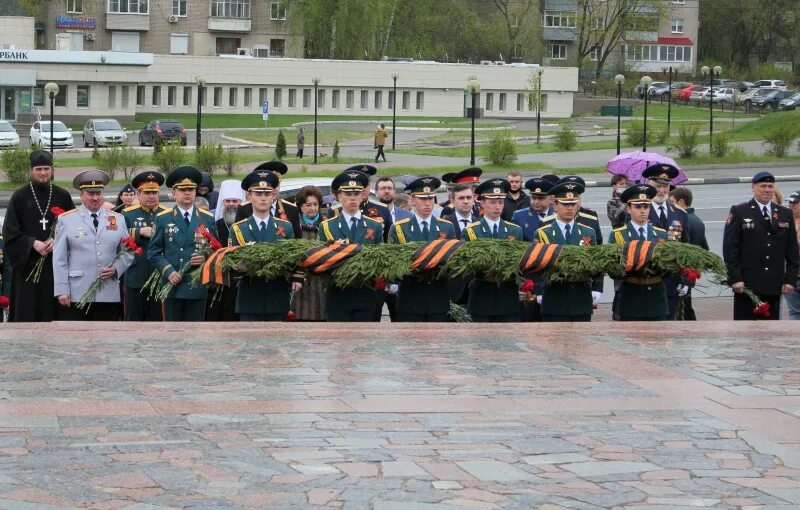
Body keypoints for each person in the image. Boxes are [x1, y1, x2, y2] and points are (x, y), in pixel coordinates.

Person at [1, 150, 75, 322]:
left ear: (52, 170)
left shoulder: (62, 195)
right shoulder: (19, 196)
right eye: (39, 169)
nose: (43, 173)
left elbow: (74, 227)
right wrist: (32, 243)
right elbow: (9, 231)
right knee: (28, 312)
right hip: (27, 267)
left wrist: (56, 240)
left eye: (46, 169)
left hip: (55, 267)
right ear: (31, 170)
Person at [52, 170, 134, 321]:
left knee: (106, 339)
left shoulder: (118, 219)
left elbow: (128, 251)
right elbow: (59, 258)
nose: (95, 198)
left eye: (98, 193)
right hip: (78, 291)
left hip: (108, 291)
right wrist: (62, 289)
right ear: (81, 195)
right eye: (90, 194)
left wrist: (117, 268)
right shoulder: (67, 220)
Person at [723, 171, 799, 320]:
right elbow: (730, 248)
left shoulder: (784, 213)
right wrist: (735, 278)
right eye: (763, 186)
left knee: (770, 330)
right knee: (745, 329)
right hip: (747, 284)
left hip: (773, 283)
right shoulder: (740, 211)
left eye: (770, 186)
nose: (767, 189)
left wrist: (790, 279)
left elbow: (792, 250)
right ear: (753, 187)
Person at [147, 165, 219, 322]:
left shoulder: (207, 218)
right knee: (173, 334)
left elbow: (216, 249)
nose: (187, 193)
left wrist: (205, 257)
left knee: (196, 333)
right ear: (174, 193)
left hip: (197, 285)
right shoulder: (163, 218)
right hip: (173, 284)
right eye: (182, 190)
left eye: (191, 189)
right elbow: (153, 252)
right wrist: (168, 271)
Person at [229, 170, 300, 321]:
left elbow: (293, 260)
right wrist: (242, 265)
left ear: (274, 196)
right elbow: (231, 262)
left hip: (277, 295)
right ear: (249, 196)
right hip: (249, 296)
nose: (263, 198)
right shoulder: (238, 229)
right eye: (258, 194)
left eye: (267, 194)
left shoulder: (285, 227)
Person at [318, 170, 384, 321]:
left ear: (362, 196)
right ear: (339, 196)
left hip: (365, 293)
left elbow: (380, 258)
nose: (352, 198)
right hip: (337, 294)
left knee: (364, 342)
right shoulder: (327, 226)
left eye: (356, 193)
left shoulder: (374, 226)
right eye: (347, 194)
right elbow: (320, 261)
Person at [389, 176, 456, 322]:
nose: (427, 203)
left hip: (438, 297)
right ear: (412, 200)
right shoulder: (399, 228)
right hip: (410, 297)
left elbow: (453, 262)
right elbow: (393, 264)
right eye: (422, 199)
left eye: (430, 198)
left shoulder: (446, 227)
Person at [461, 179, 524, 322]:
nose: (498, 207)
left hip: (507, 295)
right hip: (482, 296)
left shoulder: (515, 230)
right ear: (482, 203)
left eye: (501, 202)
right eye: (493, 202)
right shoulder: (471, 231)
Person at [535, 180, 598, 322]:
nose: (570, 208)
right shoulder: (543, 233)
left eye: (573, 204)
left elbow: (596, 263)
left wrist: (596, 288)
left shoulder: (588, 232)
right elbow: (537, 266)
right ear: (555, 205)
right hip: (554, 298)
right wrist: (538, 291)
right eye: (565, 204)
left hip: (580, 298)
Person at [608, 185, 670, 321]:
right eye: (638, 207)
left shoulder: (661, 235)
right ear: (629, 209)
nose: (643, 211)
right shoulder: (619, 236)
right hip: (631, 298)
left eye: (646, 207)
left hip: (656, 298)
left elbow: (668, 267)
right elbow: (613, 269)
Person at [120, 171, 169, 321]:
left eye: (154, 192)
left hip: (159, 275)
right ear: (138, 194)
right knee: (133, 319)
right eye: (147, 192)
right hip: (136, 274)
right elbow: (119, 238)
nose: (152, 196)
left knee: (158, 320)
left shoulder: (167, 213)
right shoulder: (127, 214)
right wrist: (138, 232)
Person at [642, 164, 690, 319]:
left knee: (669, 325)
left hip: (672, 280)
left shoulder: (680, 214)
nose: (662, 191)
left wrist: (686, 280)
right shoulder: (640, 210)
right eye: (657, 186)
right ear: (649, 185)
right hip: (647, 278)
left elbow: (686, 249)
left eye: (666, 187)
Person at [669, 185, 708, 321]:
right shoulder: (697, 219)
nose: (670, 205)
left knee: (682, 310)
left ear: (681, 203)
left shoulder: (684, 220)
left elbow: (687, 251)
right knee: (686, 306)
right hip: (690, 273)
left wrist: (686, 279)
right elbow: (704, 248)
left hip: (684, 273)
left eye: (672, 201)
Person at [206, 179, 243, 321]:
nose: (232, 204)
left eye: (235, 201)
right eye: (228, 201)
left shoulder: (245, 225)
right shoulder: (215, 225)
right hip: (220, 278)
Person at [235, 161, 302, 238]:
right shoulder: (244, 209)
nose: (274, 190)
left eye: (276, 185)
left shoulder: (291, 209)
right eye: (261, 192)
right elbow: (239, 234)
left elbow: (297, 239)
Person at [292, 186, 328, 321]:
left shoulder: (326, 225)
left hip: (322, 280)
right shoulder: (294, 226)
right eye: (308, 205)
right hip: (300, 282)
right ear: (301, 207)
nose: (312, 208)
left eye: (315, 204)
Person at [443, 183, 479, 306]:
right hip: (452, 285)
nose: (466, 201)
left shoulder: (480, 223)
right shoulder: (444, 224)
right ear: (452, 200)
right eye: (461, 198)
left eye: (469, 198)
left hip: (477, 285)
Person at [513, 178, 554, 242]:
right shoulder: (519, 216)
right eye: (533, 198)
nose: (536, 202)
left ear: (551, 199)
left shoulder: (558, 215)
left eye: (541, 198)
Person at [784, 191, 800, 319]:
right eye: (790, 202)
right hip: (791, 276)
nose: (792, 205)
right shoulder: (784, 221)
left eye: (795, 202)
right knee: (794, 312)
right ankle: (795, 339)